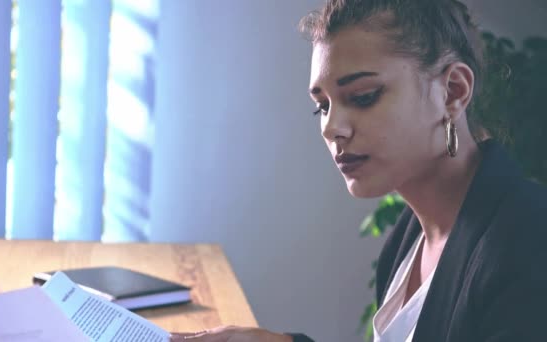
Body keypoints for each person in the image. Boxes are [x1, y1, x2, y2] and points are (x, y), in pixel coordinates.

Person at [171, 0, 547, 341]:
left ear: (453, 92)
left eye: (363, 97)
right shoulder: (410, 234)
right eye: (322, 106)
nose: (332, 127)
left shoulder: (528, 243)